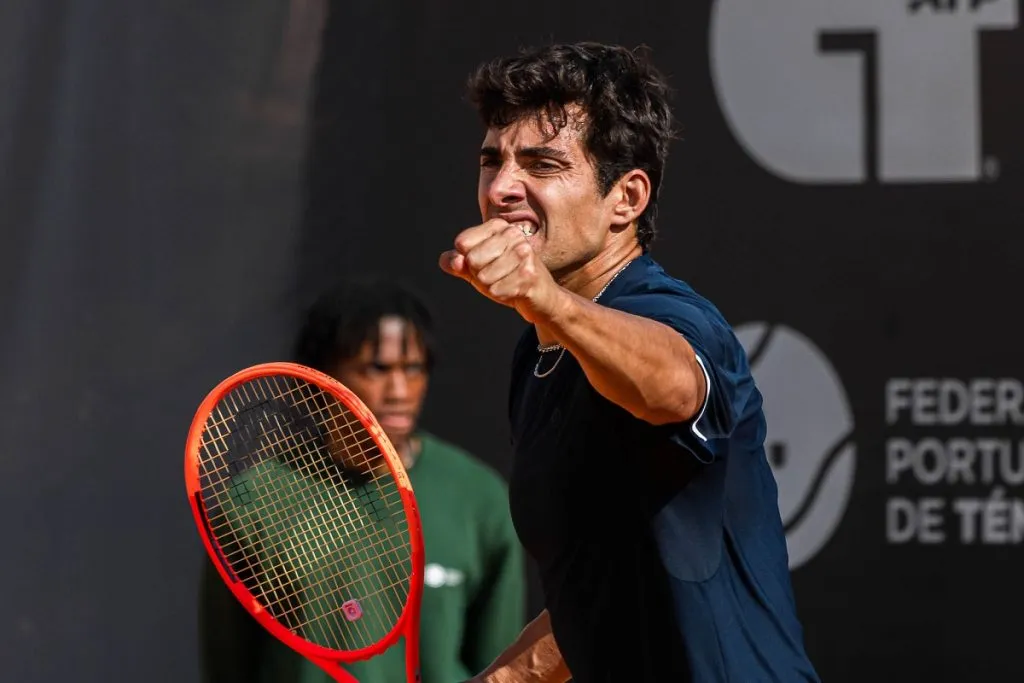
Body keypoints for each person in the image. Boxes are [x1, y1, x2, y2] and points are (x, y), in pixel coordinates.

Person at [438, 42, 821, 683]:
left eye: (542, 164)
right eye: (492, 162)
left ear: (627, 198)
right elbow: (600, 589)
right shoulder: (538, 353)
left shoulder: (674, 315)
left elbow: (672, 387)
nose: (502, 187)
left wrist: (545, 299)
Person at [199, 278, 526, 683]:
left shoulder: (482, 500)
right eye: (377, 369)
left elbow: (502, 663)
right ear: (321, 376)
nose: (400, 391)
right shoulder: (250, 501)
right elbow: (227, 666)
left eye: (414, 369)